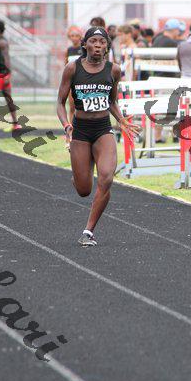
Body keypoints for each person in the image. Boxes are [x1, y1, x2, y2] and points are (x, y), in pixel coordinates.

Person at [57, 26, 140, 247]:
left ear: (107, 46)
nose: (97, 45)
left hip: (103, 129)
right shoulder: (72, 68)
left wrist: (121, 120)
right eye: (93, 41)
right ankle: (80, 174)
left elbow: (111, 101)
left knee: (106, 178)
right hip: (80, 130)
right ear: (85, 44)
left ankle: (88, 231)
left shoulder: (114, 70)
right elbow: (60, 103)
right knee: (84, 190)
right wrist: (66, 126)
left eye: (102, 42)